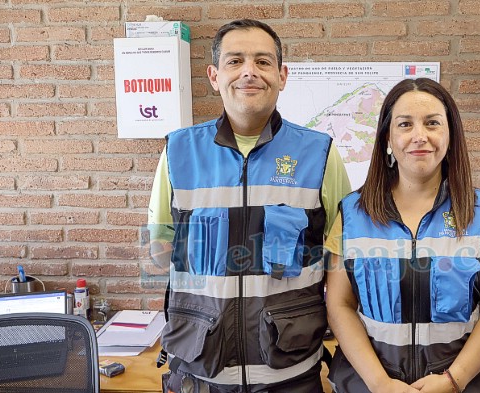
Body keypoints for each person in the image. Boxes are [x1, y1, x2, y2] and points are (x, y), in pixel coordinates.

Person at [147, 19, 351, 393]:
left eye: (262, 61)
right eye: (234, 61)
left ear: (282, 75)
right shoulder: (177, 151)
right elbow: (162, 251)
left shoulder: (320, 154)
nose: (248, 72)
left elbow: (341, 260)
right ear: (214, 75)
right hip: (199, 371)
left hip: (290, 373)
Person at [325, 78, 480, 393]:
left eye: (432, 123)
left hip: (463, 383)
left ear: (450, 135)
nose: (419, 136)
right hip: (368, 384)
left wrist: (454, 380)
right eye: (405, 124)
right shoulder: (352, 214)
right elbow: (339, 305)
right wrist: (380, 384)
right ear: (387, 137)